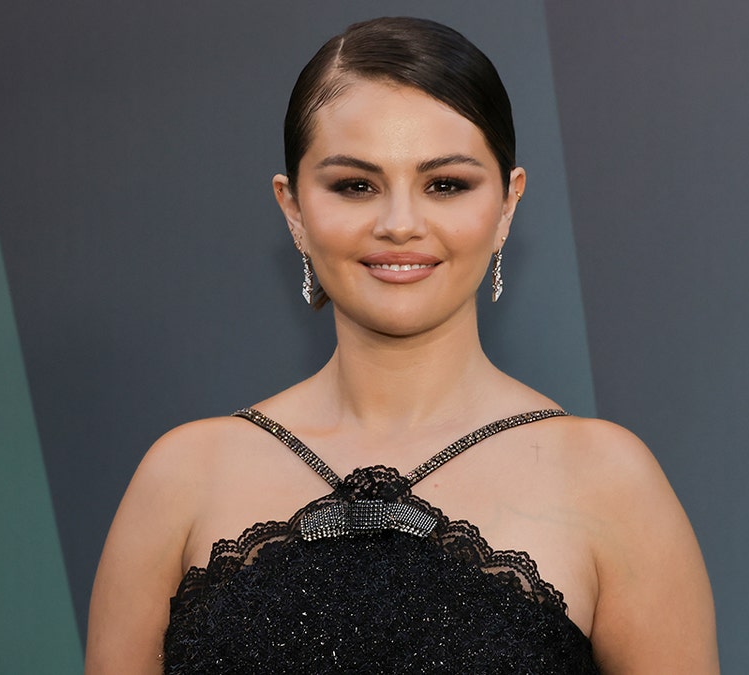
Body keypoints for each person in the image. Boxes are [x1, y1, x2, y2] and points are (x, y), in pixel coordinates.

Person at [86, 16, 717, 673]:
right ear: (293, 209)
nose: (400, 224)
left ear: (506, 204)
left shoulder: (610, 485)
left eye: (445, 184)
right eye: (355, 185)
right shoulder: (181, 479)